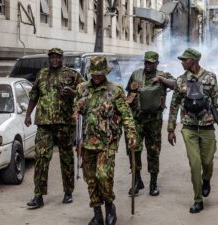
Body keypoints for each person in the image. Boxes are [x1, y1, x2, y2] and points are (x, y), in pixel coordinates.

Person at [74, 56, 137, 225]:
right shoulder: (82, 89)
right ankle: (97, 213)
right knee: (91, 180)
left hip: (107, 142)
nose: (96, 77)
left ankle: (110, 207)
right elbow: (76, 111)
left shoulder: (114, 91)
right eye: (93, 74)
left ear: (105, 73)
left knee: (103, 176)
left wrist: (131, 135)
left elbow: (126, 115)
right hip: (87, 142)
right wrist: (77, 108)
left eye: (99, 74)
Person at [167, 48, 218, 213]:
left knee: (207, 162)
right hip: (189, 128)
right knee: (195, 164)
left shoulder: (210, 78)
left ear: (193, 61)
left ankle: (206, 180)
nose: (182, 62)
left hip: (207, 126)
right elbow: (173, 105)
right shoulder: (180, 81)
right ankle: (197, 200)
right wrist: (171, 129)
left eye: (184, 60)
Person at [24, 48, 85, 209]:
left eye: (58, 57)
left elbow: (86, 92)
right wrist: (28, 114)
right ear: (49, 59)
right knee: (41, 157)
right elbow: (34, 95)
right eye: (52, 57)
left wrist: (73, 93)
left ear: (62, 59)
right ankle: (38, 195)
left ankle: (68, 192)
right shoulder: (42, 74)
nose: (55, 60)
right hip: (44, 123)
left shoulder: (72, 74)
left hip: (65, 123)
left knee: (66, 158)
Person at [125, 51, 176, 196]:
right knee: (134, 149)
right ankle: (137, 180)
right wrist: (123, 112)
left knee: (153, 151)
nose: (148, 65)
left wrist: (161, 79)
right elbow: (129, 95)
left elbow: (177, 85)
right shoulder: (136, 74)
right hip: (137, 119)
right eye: (147, 62)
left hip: (154, 121)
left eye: (152, 62)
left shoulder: (163, 75)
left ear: (157, 63)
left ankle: (153, 183)